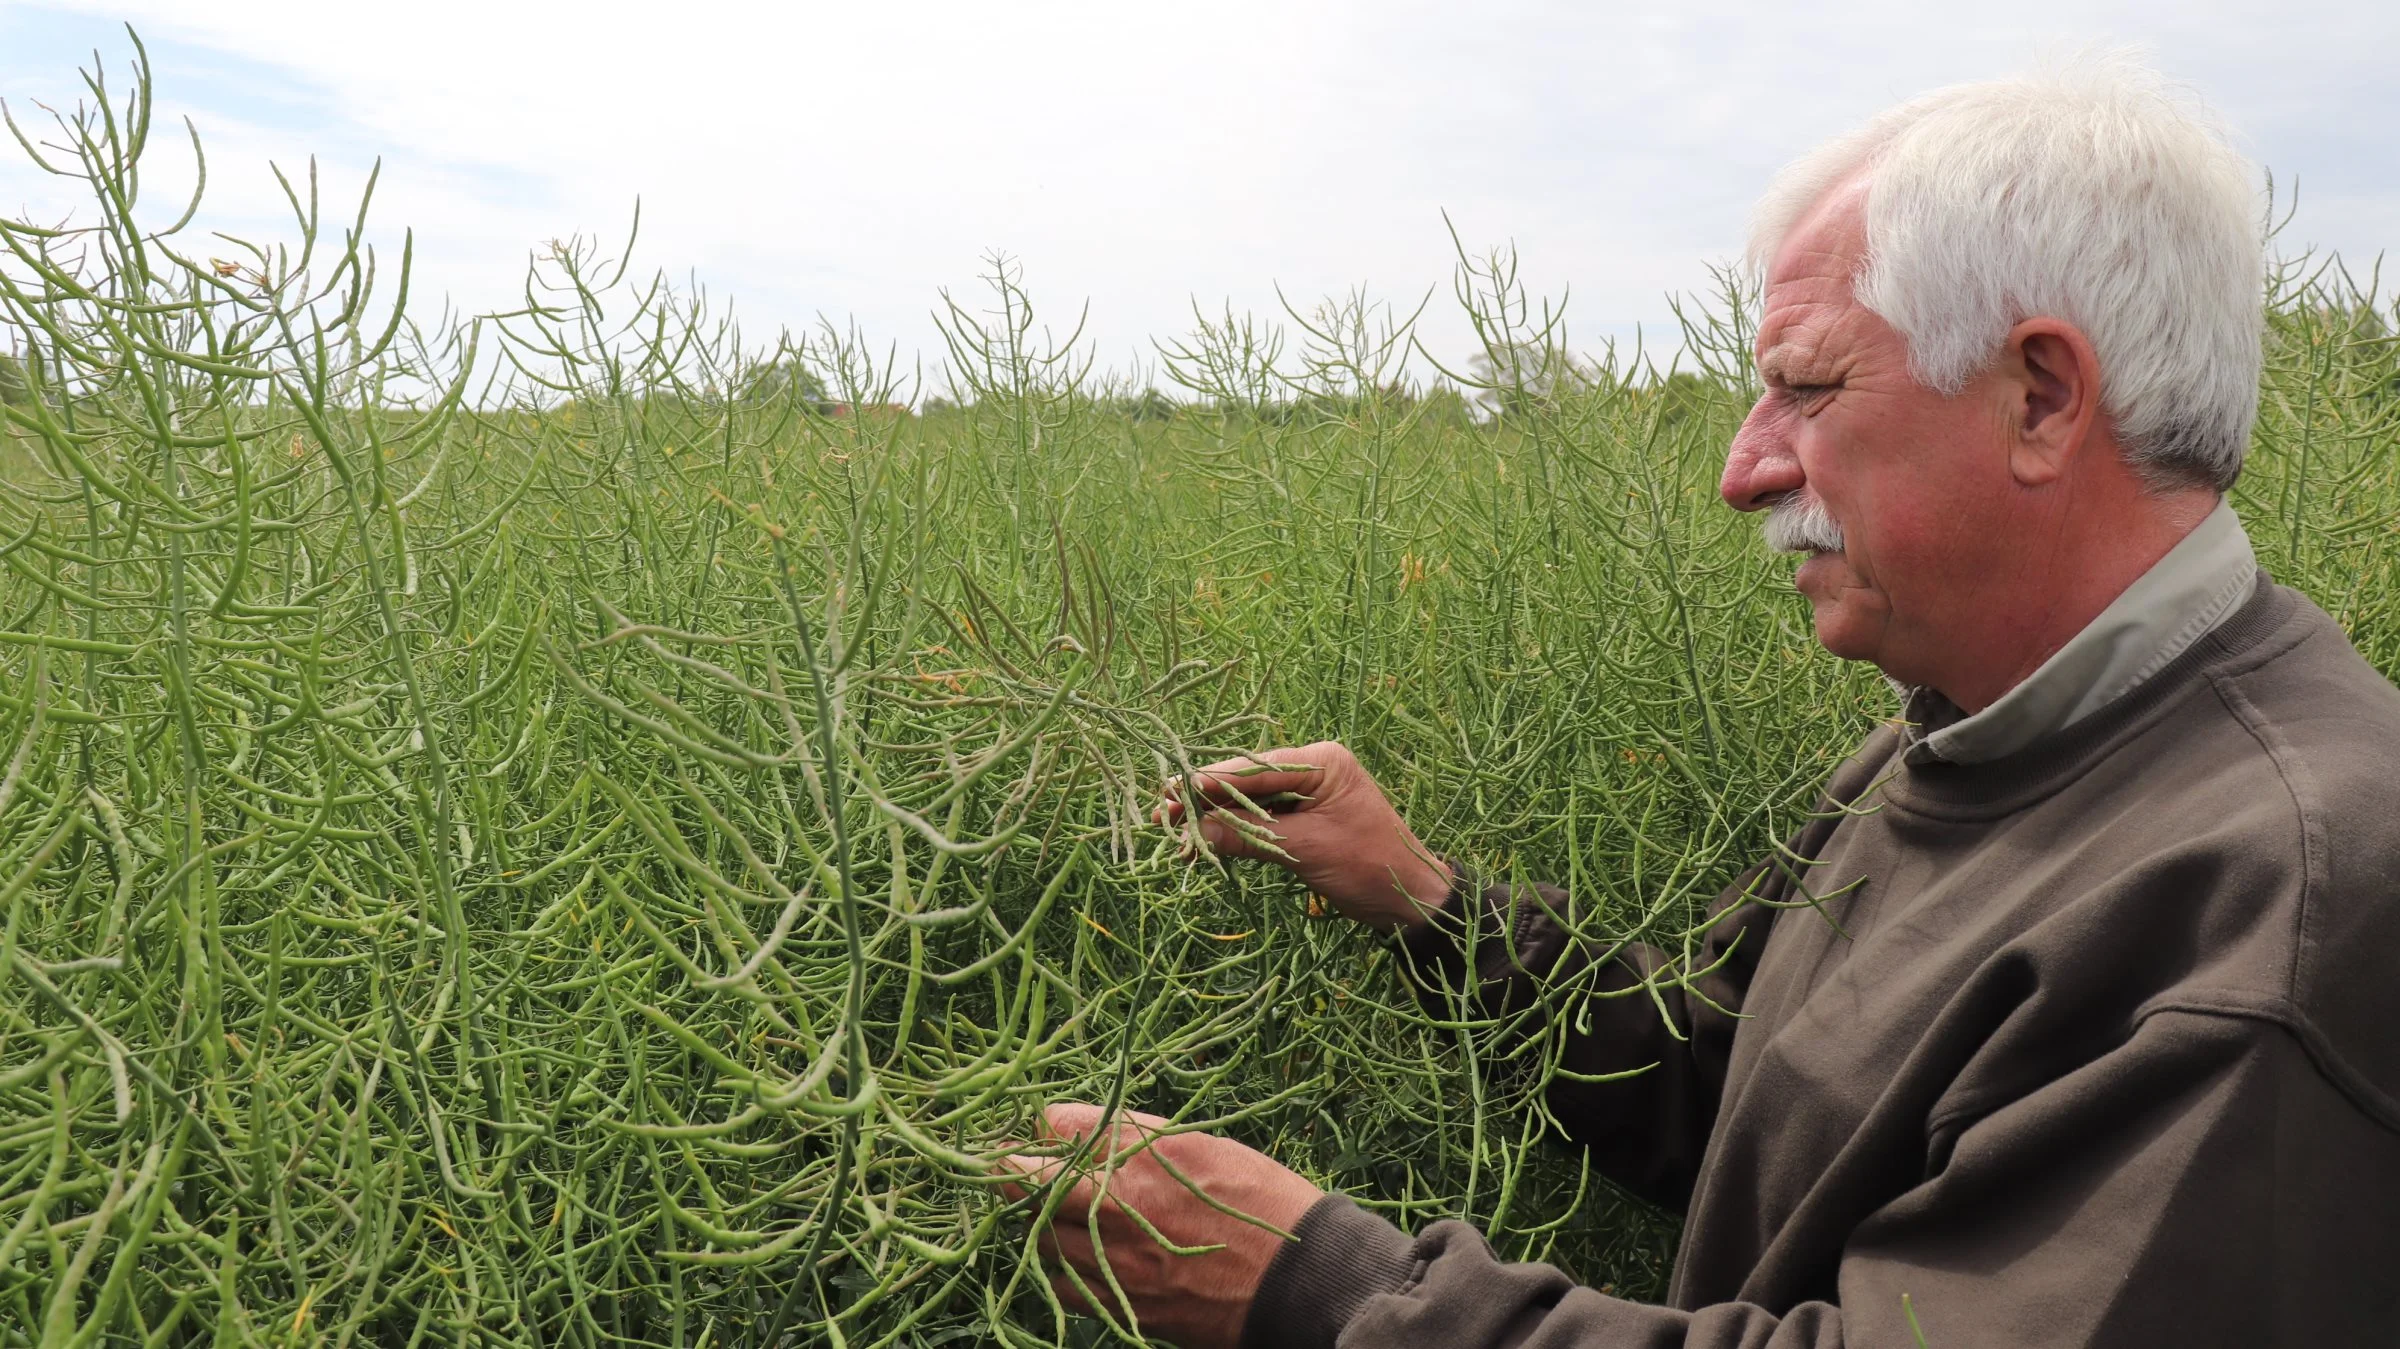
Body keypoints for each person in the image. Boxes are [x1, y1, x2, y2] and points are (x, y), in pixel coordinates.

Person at [1001, 55, 2400, 1348]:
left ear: (2040, 397)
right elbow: (1742, 1099)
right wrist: (1426, 903)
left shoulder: (2283, 893)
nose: (1745, 470)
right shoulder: (1952, 733)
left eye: (1804, 387)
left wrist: (1314, 1290)